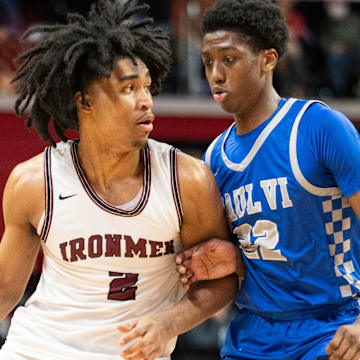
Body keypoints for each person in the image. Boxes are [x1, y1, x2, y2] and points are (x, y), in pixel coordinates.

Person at [0, 0, 238, 359]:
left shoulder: (186, 180)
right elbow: (4, 289)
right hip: (37, 349)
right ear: (85, 102)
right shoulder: (35, 182)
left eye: (147, 87)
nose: (146, 101)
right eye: (129, 89)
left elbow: (221, 279)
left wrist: (168, 324)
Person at [176, 0, 360, 359]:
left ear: (268, 59)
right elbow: (246, 258)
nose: (215, 73)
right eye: (208, 61)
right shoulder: (214, 158)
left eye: (228, 59)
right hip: (253, 334)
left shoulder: (319, 127)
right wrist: (228, 258)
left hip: (330, 326)